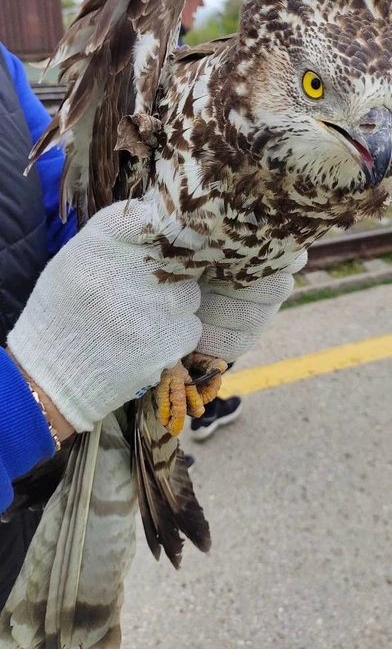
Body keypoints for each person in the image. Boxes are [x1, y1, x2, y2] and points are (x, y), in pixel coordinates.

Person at [0, 34, 298, 603]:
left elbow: (69, 201)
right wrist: (31, 399)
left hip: (38, 480)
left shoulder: (2, 68)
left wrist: (165, 283)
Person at [132, 0, 242, 441]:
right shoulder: (141, 65)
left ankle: (186, 414)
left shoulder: (171, 56)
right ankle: (168, 432)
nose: (201, 2)